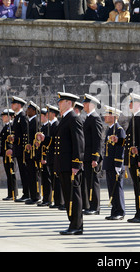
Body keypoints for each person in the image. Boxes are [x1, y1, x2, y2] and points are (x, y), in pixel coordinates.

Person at [51, 92, 85, 235]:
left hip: (70, 166)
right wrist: (45, 139)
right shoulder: (65, 119)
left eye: (61, 101)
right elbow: (59, 142)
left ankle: (76, 225)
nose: (58, 104)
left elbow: (79, 143)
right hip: (63, 165)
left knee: (73, 196)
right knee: (68, 194)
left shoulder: (73, 118)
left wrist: (76, 164)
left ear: (69, 103)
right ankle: (73, 223)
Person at [125, 93, 140, 223]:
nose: (129, 105)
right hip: (133, 159)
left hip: (138, 159)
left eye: (132, 103)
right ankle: (138, 211)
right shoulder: (135, 118)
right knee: (137, 186)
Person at [103, 105, 126, 220]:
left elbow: (120, 148)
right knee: (111, 187)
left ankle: (120, 211)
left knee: (117, 188)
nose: (105, 116)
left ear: (114, 116)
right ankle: (114, 209)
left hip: (115, 164)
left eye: (108, 114)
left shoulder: (119, 130)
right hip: (109, 163)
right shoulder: (110, 130)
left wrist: (118, 164)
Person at [80, 94, 103, 215]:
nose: (83, 105)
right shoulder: (88, 118)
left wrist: (96, 157)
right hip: (87, 156)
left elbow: (97, 139)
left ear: (92, 105)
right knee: (88, 181)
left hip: (92, 156)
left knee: (93, 182)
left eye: (86, 103)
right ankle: (90, 205)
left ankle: (95, 207)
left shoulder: (95, 118)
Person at [0, 108, 18, 201]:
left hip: (9, 153)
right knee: (8, 173)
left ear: (10, 116)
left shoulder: (12, 126)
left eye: (4, 116)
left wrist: (11, 149)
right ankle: (10, 193)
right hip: (5, 153)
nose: (3, 117)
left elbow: (12, 140)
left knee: (11, 172)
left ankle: (13, 193)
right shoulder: (6, 127)